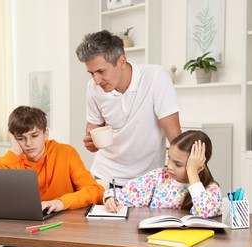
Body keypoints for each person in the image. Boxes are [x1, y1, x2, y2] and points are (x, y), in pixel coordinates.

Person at [0, 106, 105, 247]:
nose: (28, 143)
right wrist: (15, 152)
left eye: (34, 136)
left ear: (46, 134)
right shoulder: (11, 160)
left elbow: (96, 191)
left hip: (65, 239)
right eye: (21, 138)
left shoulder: (65, 153)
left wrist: (61, 202)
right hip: (24, 239)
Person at [75, 30, 181, 187]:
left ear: (122, 62)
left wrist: (187, 181)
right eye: (91, 74)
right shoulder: (93, 88)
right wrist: (91, 139)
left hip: (147, 180)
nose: (96, 80)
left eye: (101, 71)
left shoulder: (155, 77)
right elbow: (94, 125)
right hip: (103, 176)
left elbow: (175, 137)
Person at [103, 130, 222, 218]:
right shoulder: (158, 177)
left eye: (178, 164)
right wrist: (111, 199)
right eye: (169, 158)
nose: (169, 166)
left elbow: (205, 213)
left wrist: (192, 173)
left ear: (199, 166)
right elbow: (123, 194)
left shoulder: (210, 190)